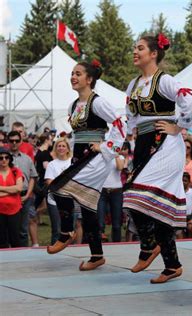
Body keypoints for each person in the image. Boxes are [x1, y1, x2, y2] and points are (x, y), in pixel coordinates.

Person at [123, 33, 192, 284]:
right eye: (135, 48)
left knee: (134, 196)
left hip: (165, 144)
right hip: (144, 145)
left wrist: (178, 126)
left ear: (154, 53)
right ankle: (172, 265)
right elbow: (130, 117)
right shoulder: (133, 84)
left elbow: (191, 103)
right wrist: (128, 141)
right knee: (154, 207)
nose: (135, 52)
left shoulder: (164, 80)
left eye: (141, 48)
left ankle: (148, 246)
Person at [47, 60, 126, 271]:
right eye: (72, 73)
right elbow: (79, 133)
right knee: (88, 207)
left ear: (89, 79)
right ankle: (97, 255)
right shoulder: (74, 105)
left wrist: (107, 147)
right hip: (80, 158)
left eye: (78, 74)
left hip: (95, 158)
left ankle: (65, 233)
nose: (73, 77)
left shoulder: (97, 102)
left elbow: (120, 123)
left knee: (58, 189)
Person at [8, 131, 38, 247]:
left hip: (25, 196)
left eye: (16, 141)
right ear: (8, 142)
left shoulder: (27, 159)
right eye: (11, 141)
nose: (14, 143)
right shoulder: (4, 158)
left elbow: (32, 177)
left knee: (23, 229)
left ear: (21, 142)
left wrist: (28, 194)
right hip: (8, 196)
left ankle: (23, 253)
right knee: (8, 228)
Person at [44, 138, 73, 245]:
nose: (61, 148)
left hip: (71, 199)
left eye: (63, 146)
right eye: (59, 146)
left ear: (68, 149)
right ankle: (55, 249)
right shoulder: (52, 164)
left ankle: (71, 250)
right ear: (55, 148)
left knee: (70, 229)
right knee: (57, 229)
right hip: (54, 200)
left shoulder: (73, 162)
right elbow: (49, 181)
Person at [97, 153, 126, 242]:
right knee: (100, 222)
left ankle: (117, 246)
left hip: (116, 191)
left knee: (117, 224)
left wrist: (116, 154)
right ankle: (98, 246)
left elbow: (120, 167)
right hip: (102, 191)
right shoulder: (99, 157)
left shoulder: (120, 157)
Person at [0, 147, 24, 248]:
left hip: (14, 210)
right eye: (1, 158)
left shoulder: (16, 171)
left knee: (15, 238)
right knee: (1, 239)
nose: (4, 160)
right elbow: (15, 189)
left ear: (10, 159)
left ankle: (17, 261)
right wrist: (12, 191)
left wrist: (1, 188)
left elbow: (19, 188)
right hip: (0, 211)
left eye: (6, 157)